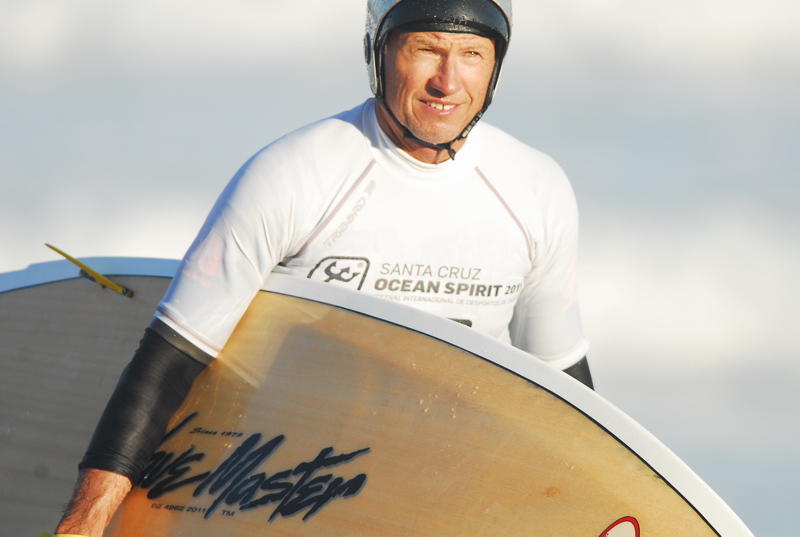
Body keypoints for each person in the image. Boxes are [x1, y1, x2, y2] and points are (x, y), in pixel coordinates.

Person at [53, 0, 592, 535]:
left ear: (496, 66)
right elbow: (172, 360)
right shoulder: (294, 174)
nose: (447, 81)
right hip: (289, 497)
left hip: (452, 500)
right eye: (426, 50)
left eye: (472, 54)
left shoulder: (536, 190)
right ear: (379, 54)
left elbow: (567, 395)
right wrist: (84, 523)